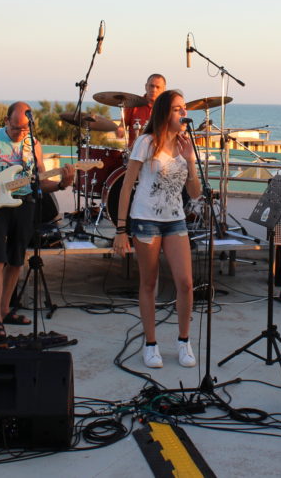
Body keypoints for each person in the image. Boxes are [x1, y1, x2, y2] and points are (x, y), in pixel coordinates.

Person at [0, 102, 75, 343]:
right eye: (16, 128)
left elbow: (40, 182)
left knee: (15, 260)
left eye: (25, 129)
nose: (21, 133)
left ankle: (5, 310)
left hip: (24, 204)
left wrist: (62, 184)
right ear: (6, 121)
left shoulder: (34, 145)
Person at [112, 90, 202, 368]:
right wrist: (121, 230)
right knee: (149, 283)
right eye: (177, 109)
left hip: (175, 219)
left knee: (185, 283)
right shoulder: (146, 142)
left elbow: (195, 193)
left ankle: (184, 341)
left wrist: (190, 160)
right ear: (164, 113)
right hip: (145, 219)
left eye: (184, 108)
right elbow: (127, 186)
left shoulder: (186, 145)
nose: (183, 113)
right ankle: (151, 344)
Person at [115, 74, 166, 148]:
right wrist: (120, 130)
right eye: (151, 86)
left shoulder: (167, 108)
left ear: (164, 89)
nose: (154, 90)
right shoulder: (133, 105)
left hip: (159, 151)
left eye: (158, 87)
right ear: (146, 86)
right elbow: (123, 125)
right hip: (135, 151)